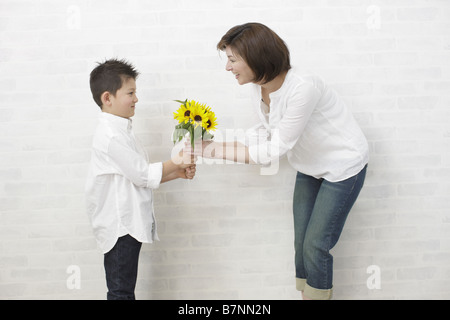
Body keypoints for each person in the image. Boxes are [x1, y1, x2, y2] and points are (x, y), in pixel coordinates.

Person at [193, 23, 369, 300]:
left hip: (342, 166)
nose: (228, 68)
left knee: (315, 245)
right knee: (301, 243)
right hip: (310, 166)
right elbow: (262, 133)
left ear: (255, 57)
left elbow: (274, 150)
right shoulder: (258, 87)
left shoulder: (303, 88)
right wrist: (204, 147)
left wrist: (213, 151)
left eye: (232, 60)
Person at [85, 58, 196, 300]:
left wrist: (175, 173)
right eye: (131, 92)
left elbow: (136, 177)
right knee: (121, 293)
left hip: (126, 224)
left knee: (124, 291)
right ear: (107, 98)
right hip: (119, 227)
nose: (136, 98)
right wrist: (178, 161)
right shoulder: (110, 136)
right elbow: (143, 174)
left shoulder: (122, 130)